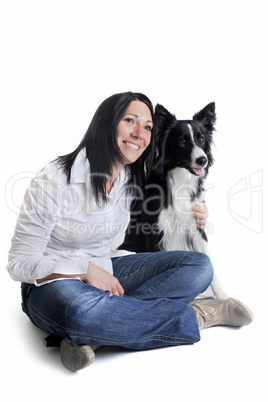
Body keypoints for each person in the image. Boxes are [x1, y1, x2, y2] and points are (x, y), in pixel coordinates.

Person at [7, 92, 253, 372]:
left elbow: (174, 194)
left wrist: (198, 209)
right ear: (106, 123)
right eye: (129, 121)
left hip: (108, 270)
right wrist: (83, 269)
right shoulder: (54, 179)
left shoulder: (131, 178)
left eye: (147, 127)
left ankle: (101, 330)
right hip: (51, 283)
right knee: (80, 312)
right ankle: (198, 315)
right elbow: (18, 262)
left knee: (199, 266)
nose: (140, 133)